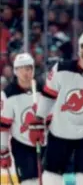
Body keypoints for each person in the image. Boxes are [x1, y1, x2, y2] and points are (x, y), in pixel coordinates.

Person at [35, 31, 83, 185]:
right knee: (51, 177)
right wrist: (38, 121)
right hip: (59, 132)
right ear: (80, 49)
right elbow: (48, 96)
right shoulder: (61, 68)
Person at [0, 53, 49, 185]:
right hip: (22, 146)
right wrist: (3, 151)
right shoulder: (8, 94)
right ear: (16, 71)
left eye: (29, 68)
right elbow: (4, 126)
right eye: (22, 69)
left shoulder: (43, 88)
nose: (26, 72)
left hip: (44, 144)